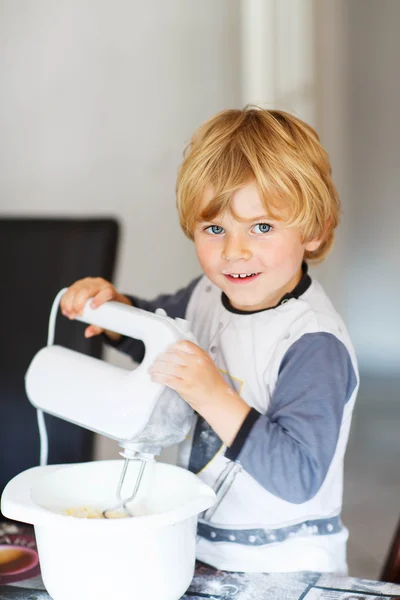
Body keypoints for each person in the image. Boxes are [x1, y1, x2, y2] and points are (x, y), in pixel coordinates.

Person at [61, 107, 359, 574]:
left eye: (262, 227)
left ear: (314, 232)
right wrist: (116, 311)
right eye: (215, 229)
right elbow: (163, 344)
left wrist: (212, 394)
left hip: (282, 568)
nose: (234, 251)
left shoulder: (313, 343)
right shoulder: (207, 293)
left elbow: (299, 475)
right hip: (197, 549)